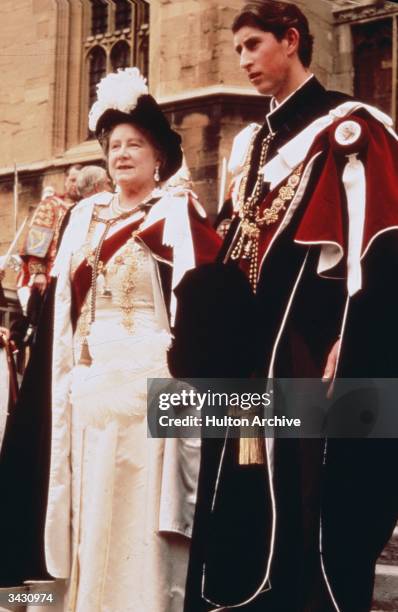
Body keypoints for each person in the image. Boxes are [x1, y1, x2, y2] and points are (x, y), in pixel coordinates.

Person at [179, 2, 398, 612]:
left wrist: (348, 343)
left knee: (300, 492)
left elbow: (375, 250)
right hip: (248, 354)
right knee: (241, 486)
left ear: (291, 40)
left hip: (304, 349)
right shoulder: (250, 145)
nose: (244, 60)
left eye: (253, 45)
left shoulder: (349, 129)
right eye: (238, 50)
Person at [0, 67, 221, 611]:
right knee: (90, 506)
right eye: (115, 146)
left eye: (135, 145)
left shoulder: (177, 213)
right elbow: (63, 311)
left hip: (152, 384)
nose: (122, 154)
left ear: (157, 156)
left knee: (141, 515)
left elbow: (199, 305)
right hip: (89, 387)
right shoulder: (82, 216)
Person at [19, 164, 82, 297]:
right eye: (72, 180)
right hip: (50, 274)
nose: (76, 185)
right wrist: (39, 272)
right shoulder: (51, 204)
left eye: (80, 181)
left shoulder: (87, 207)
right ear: (65, 181)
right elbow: (36, 239)